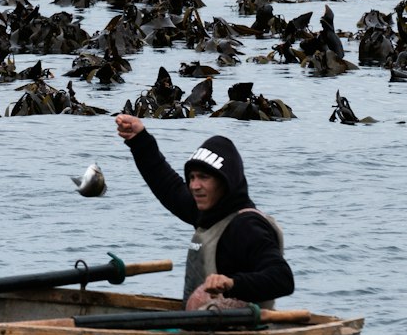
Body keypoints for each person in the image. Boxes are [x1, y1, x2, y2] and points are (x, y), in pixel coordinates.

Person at [114, 114, 294, 308]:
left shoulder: (247, 226)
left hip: (243, 333)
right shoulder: (207, 212)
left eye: (203, 177)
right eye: (191, 177)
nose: (194, 186)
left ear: (225, 182)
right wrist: (140, 140)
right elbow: (167, 185)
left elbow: (282, 278)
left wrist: (232, 284)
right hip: (203, 329)